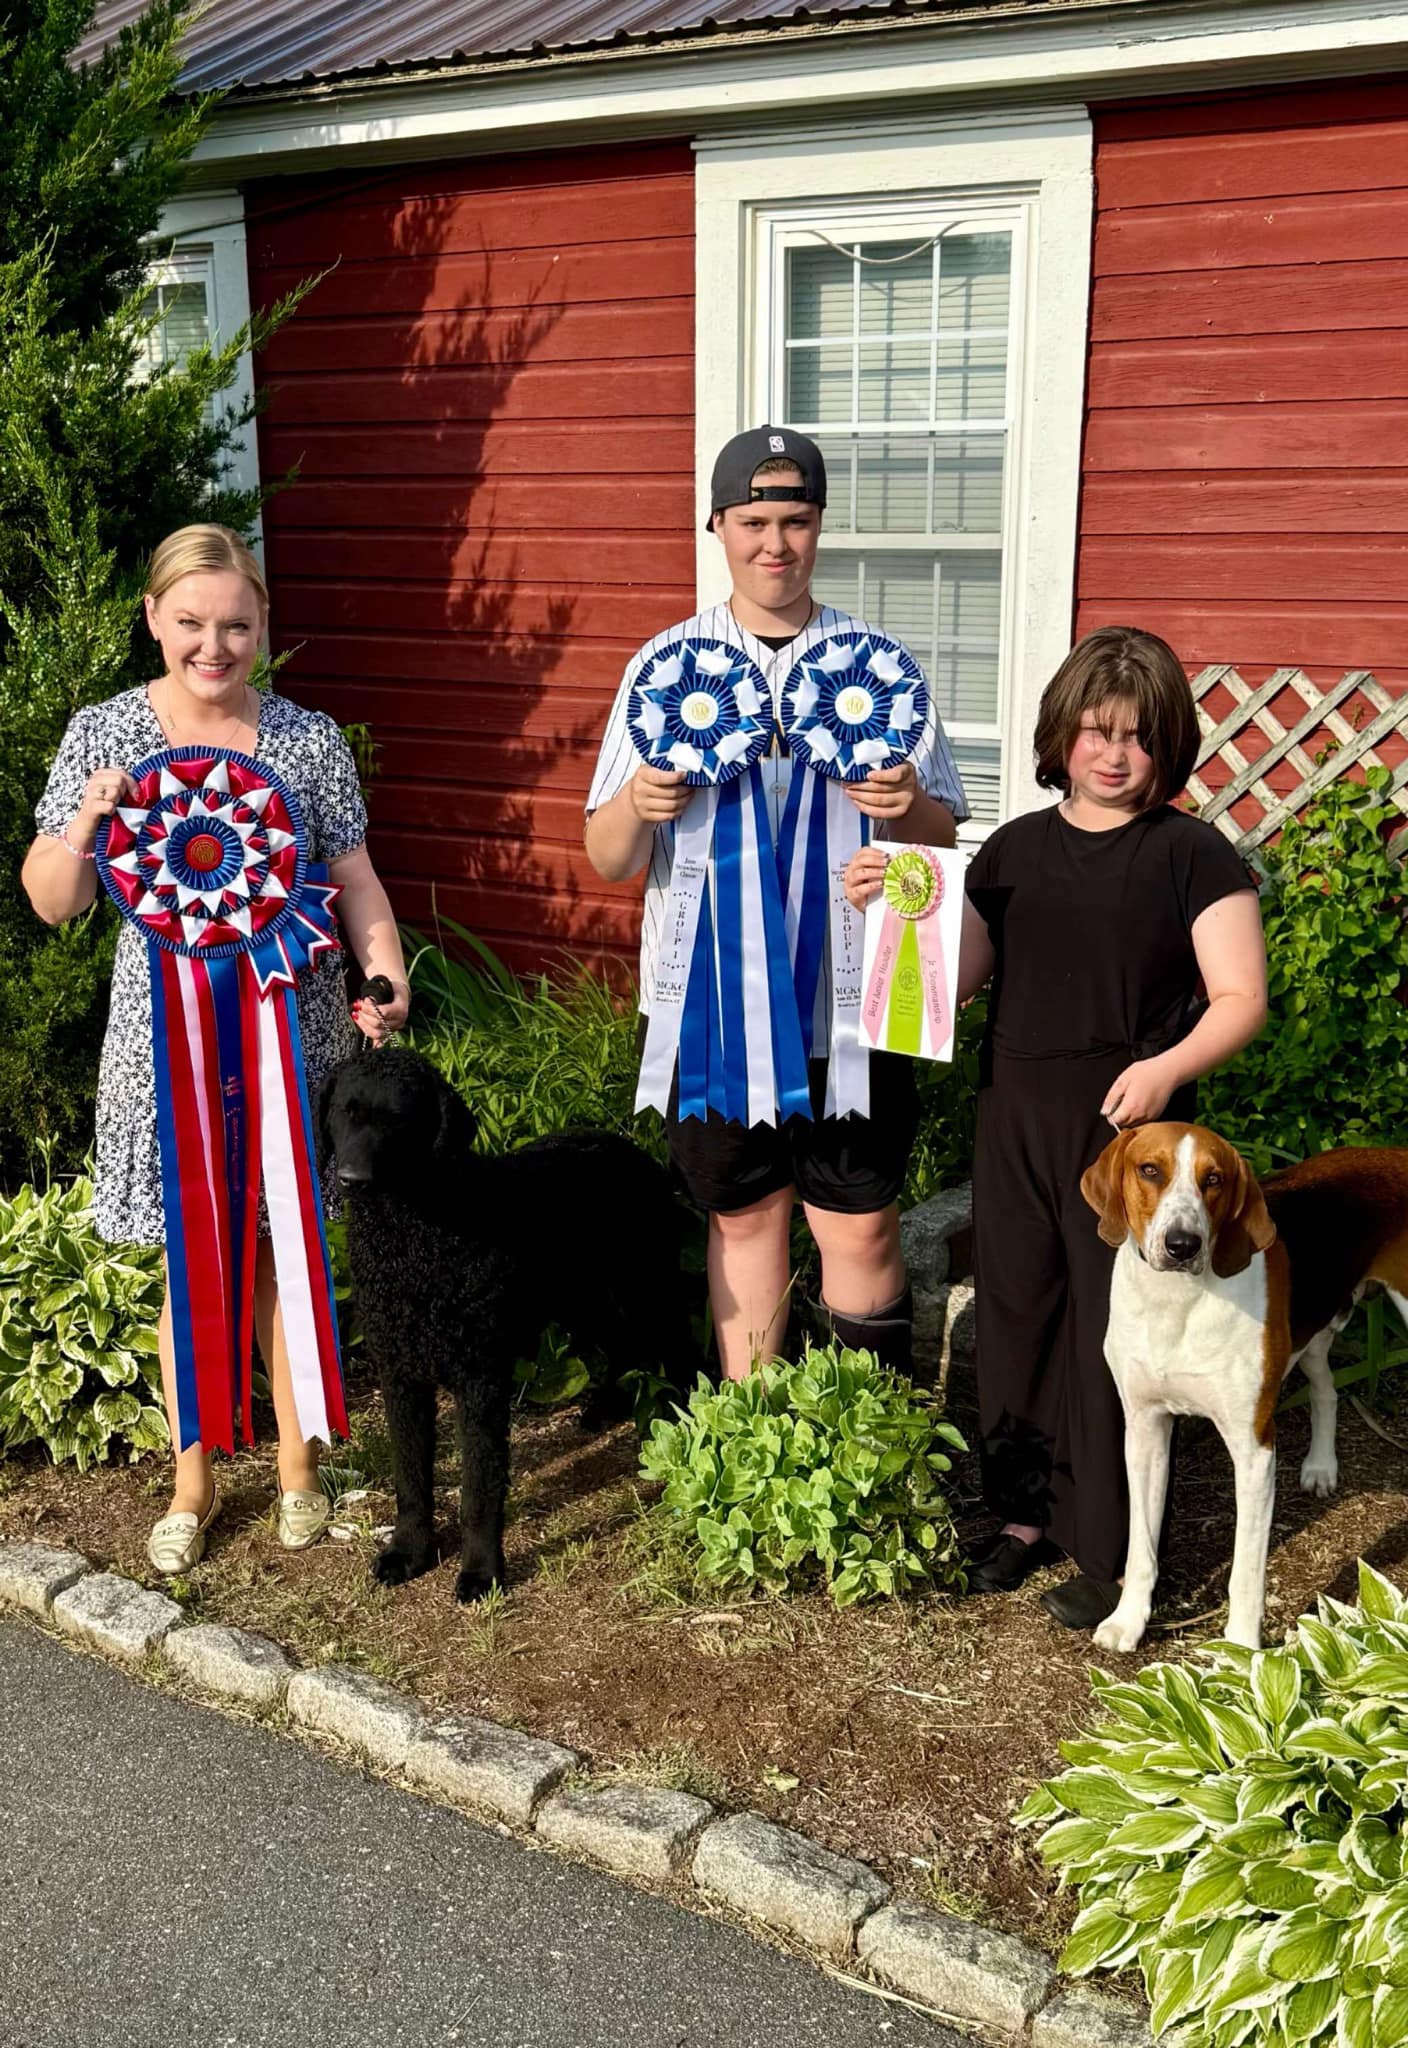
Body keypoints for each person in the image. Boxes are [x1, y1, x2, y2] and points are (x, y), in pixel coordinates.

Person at [845, 626, 1267, 1629]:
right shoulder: (1011, 850)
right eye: (1096, 732)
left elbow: (1240, 997)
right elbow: (951, 980)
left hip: (1132, 1132)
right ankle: (1020, 1514)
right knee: (1017, 1311)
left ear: (1168, 745)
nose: (1115, 755)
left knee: (1105, 1330)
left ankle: (1110, 1548)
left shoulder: (1192, 854)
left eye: (1139, 737)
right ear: (1062, 734)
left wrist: (1164, 1070)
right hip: (1014, 1112)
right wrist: (890, 908)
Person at [22, 523, 409, 1573]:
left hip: (294, 1035)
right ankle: (191, 1481)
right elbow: (52, 900)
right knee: (191, 1262)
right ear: (153, 616)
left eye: (236, 624)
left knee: (288, 1256)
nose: (213, 645)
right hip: (165, 1048)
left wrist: (386, 975)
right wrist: (87, 819)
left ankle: (298, 1468)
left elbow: (356, 877)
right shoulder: (103, 733)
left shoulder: (307, 740)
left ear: (262, 623)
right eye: (191, 621)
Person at [584, 426, 968, 1382]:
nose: (775, 543)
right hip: (711, 1006)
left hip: (854, 998)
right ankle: (755, 1434)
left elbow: (940, 840)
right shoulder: (664, 665)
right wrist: (638, 804)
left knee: (862, 1223)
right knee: (744, 1219)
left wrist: (905, 807)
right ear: (717, 526)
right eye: (753, 522)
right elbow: (608, 858)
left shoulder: (878, 662)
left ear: (820, 526)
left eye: (795, 521)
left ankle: (867, 1432)